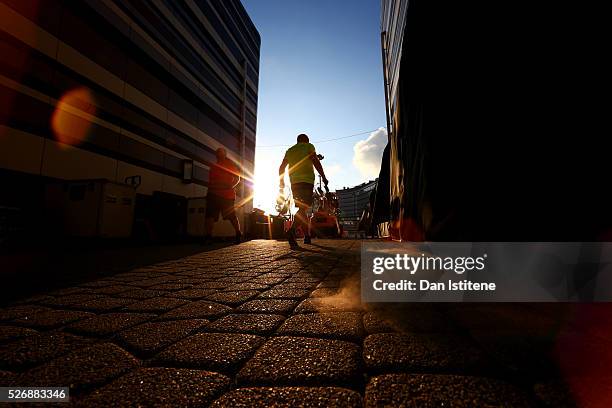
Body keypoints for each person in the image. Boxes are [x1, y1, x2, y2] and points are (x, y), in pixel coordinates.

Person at [278, 133, 328, 247]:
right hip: (307, 181)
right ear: (306, 140)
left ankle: (307, 236)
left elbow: (281, 167)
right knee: (304, 207)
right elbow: (315, 161)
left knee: (302, 208)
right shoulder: (309, 146)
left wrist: (281, 181)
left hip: (294, 183)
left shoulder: (290, 150)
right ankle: (291, 231)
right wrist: (324, 177)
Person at [204, 147, 242, 244]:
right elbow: (210, 181)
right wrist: (208, 192)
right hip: (213, 194)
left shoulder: (229, 165)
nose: (219, 155)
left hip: (226, 196)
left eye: (221, 153)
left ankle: (238, 233)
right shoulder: (213, 166)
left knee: (231, 216)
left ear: (225, 155)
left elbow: (238, 177)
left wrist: (231, 186)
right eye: (217, 153)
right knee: (210, 216)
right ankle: (208, 237)